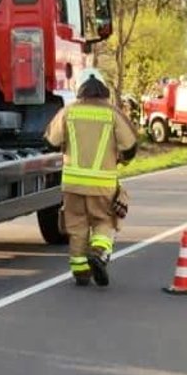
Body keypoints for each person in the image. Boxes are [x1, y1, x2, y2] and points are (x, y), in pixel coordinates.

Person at [45, 70, 138, 287]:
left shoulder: (68, 112)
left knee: (76, 228)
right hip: (102, 184)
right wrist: (121, 159)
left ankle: (81, 273)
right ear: (104, 89)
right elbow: (131, 145)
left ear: (80, 88)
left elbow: (50, 141)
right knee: (104, 221)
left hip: (72, 184)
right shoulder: (112, 113)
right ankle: (98, 252)